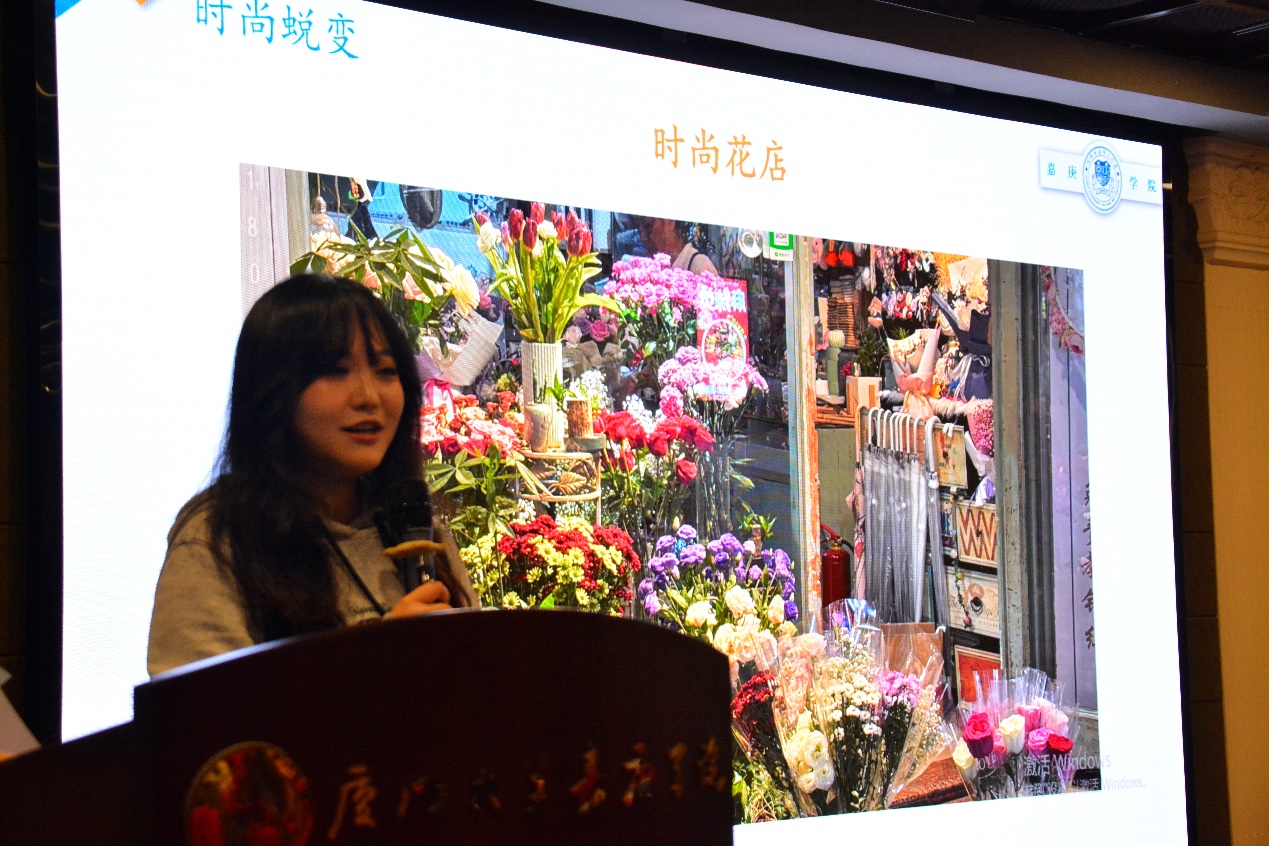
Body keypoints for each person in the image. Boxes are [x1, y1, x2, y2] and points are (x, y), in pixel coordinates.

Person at [148, 274, 477, 677]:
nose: (368, 397)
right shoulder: (218, 541)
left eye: (385, 371)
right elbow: (200, 710)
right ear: (274, 391)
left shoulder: (415, 531)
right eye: (337, 371)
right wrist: (379, 661)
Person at [634, 216, 719, 276]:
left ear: (670, 222)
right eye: (640, 230)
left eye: (648, 226)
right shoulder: (652, 268)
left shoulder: (699, 265)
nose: (643, 236)